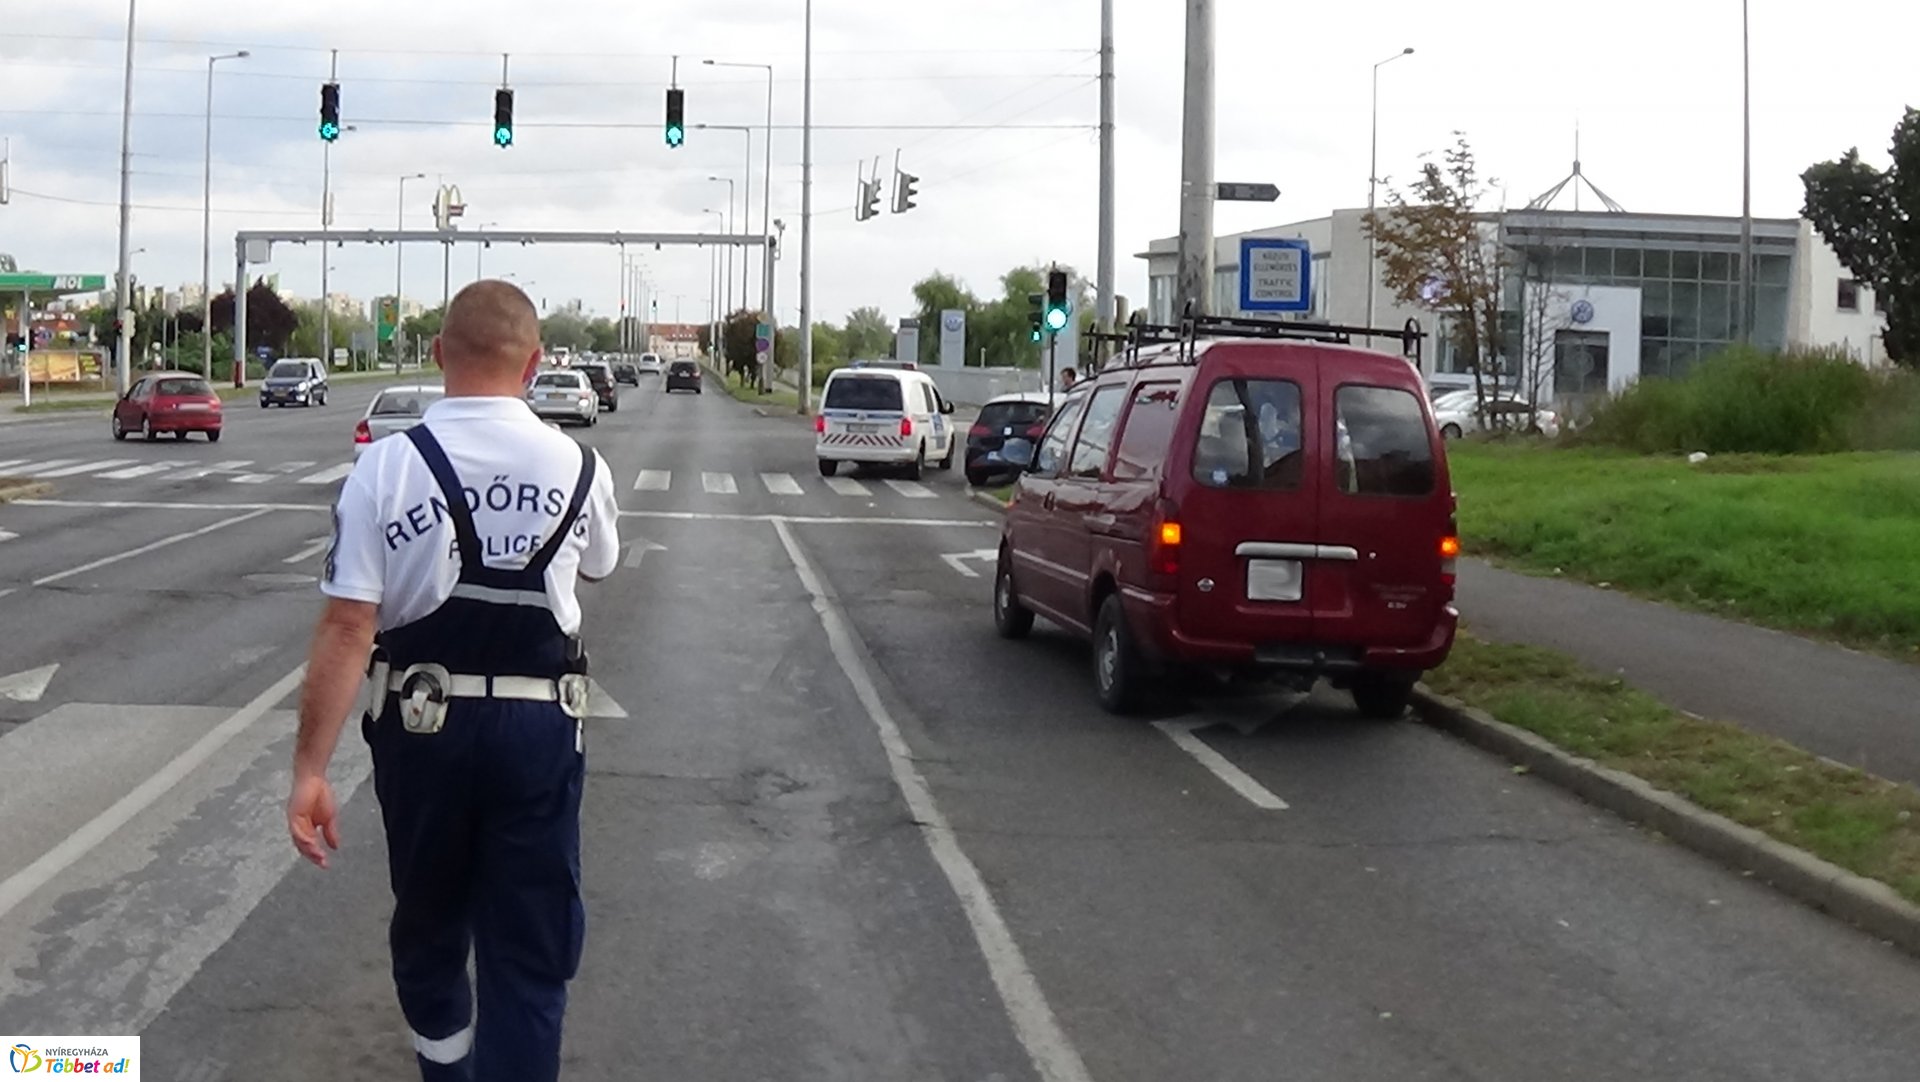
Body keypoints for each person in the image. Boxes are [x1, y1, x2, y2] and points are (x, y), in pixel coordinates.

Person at [286, 279, 620, 1082]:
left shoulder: (385, 469)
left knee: (431, 929)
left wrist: (309, 772)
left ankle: (447, 1069)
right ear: (536, 363)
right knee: (531, 948)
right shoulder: (582, 467)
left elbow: (346, 626)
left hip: (422, 729)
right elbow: (601, 564)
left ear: (438, 354)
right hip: (540, 733)